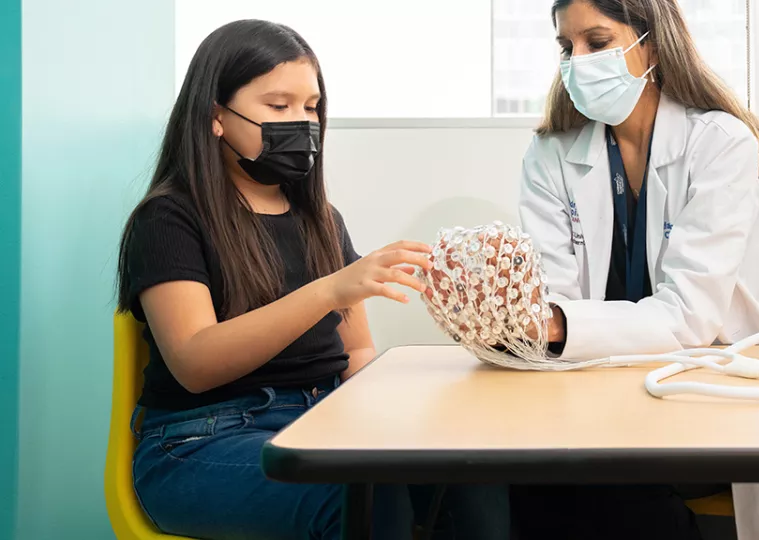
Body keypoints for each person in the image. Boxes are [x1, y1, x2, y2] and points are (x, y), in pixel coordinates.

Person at [116, 20, 507, 540]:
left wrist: (420, 411)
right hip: (200, 442)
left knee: (470, 469)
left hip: (322, 420)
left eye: (310, 107)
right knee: (366, 494)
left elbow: (357, 356)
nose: (301, 122)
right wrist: (328, 290)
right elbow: (195, 363)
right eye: (278, 107)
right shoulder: (168, 219)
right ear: (215, 116)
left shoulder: (320, 218)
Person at [515, 1, 759, 539]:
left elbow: (688, 317)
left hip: (707, 387)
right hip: (593, 390)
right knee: (536, 477)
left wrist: (558, 324)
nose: (576, 62)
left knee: (608, 485)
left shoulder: (719, 143)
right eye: (565, 46)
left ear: (650, 43)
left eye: (596, 43)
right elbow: (552, 297)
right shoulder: (550, 155)